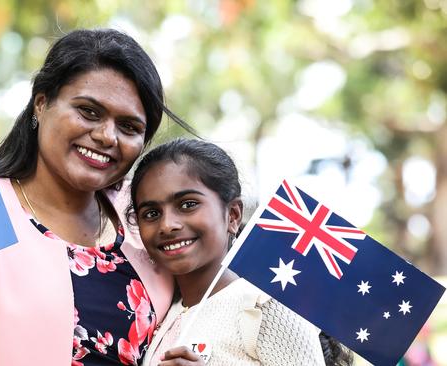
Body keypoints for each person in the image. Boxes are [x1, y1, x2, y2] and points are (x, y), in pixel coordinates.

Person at [0, 29, 194, 365]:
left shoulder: (148, 218)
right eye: (89, 111)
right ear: (41, 104)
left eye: (129, 127)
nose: (106, 136)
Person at [128, 138, 328, 365]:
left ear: (232, 215)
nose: (167, 225)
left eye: (187, 204)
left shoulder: (261, 305)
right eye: (151, 213)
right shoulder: (158, 314)